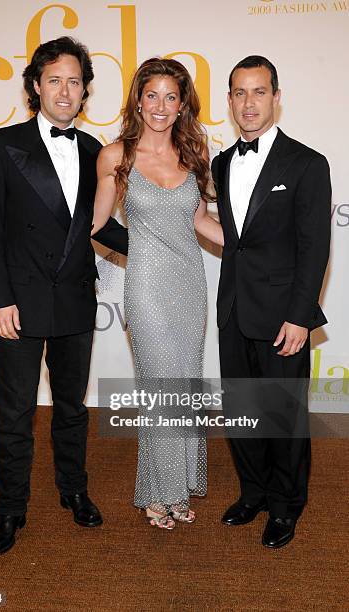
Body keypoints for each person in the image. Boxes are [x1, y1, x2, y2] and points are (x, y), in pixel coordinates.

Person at [0, 37, 128, 555]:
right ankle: (10, 509)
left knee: (72, 408)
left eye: (75, 81)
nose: (65, 90)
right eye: (55, 80)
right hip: (19, 301)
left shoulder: (94, 151)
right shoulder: (2, 146)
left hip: (74, 301)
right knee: (14, 413)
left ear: (85, 90)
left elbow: (98, 226)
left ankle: (74, 490)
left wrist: (160, 245)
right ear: (36, 87)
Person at [91, 58, 224, 529]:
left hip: (190, 283)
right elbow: (98, 225)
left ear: (183, 103)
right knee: (159, 386)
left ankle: (177, 485)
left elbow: (201, 222)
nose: (161, 106)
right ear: (138, 99)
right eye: (152, 95)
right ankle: (157, 493)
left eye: (171, 96)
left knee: (184, 382)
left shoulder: (193, 153)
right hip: (146, 285)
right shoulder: (116, 155)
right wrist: (145, 246)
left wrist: (253, 244)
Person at [211, 56, 331, 548]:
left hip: (284, 315)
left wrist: (300, 316)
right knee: (242, 411)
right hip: (234, 309)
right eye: (239, 92)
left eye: (259, 92)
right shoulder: (221, 163)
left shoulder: (306, 163)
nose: (248, 103)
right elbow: (233, 239)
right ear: (230, 101)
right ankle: (253, 492)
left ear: (276, 98)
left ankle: (285, 505)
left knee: (282, 416)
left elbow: (315, 248)